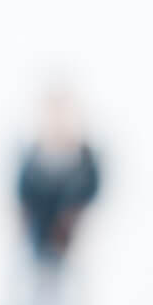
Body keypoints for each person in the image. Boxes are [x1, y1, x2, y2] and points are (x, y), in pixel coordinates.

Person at [15, 86, 101, 266]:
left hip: (77, 256)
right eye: (52, 115)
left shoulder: (87, 164)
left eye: (63, 114)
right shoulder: (29, 162)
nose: (57, 123)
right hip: (34, 256)